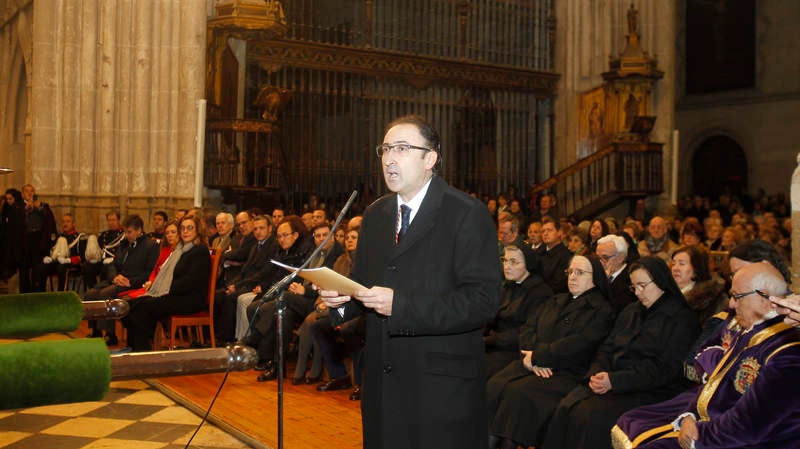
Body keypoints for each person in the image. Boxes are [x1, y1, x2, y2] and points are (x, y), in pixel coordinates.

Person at [319, 115, 500, 449]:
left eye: (402, 148)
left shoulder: (466, 213)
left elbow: (483, 301)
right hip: (383, 381)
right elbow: (362, 288)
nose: (389, 158)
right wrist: (341, 303)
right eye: (385, 149)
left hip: (439, 385)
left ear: (430, 159)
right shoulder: (376, 215)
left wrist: (400, 307)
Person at [613, 262, 800, 449]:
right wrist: (689, 416)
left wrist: (699, 436)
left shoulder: (787, 351)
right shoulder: (751, 331)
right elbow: (714, 385)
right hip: (714, 425)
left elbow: (750, 425)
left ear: (766, 298)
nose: (731, 304)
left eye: (737, 296)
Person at [542, 257, 699, 449]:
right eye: (634, 287)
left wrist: (615, 381)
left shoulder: (682, 319)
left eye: (642, 285)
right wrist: (597, 373)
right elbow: (607, 347)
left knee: (591, 416)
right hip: (613, 380)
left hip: (650, 390)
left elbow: (664, 369)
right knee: (568, 405)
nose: (639, 293)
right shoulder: (631, 311)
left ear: (660, 281)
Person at [487, 255, 615, 449]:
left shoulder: (602, 310)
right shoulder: (556, 299)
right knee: (495, 383)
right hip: (532, 364)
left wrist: (538, 355)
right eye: (570, 272)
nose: (572, 277)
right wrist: (528, 356)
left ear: (595, 277)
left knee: (519, 395)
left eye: (580, 273)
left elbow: (579, 344)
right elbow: (529, 328)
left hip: (565, 372)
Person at [121, 214, 212, 352]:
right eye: (183, 228)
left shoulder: (200, 250)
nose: (185, 231)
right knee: (130, 305)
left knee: (145, 306)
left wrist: (167, 289)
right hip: (174, 293)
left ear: (197, 231)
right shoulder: (180, 249)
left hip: (190, 299)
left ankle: (141, 349)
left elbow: (191, 281)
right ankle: (134, 346)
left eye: (190, 228)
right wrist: (163, 289)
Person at [83, 214, 160, 345]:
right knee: (91, 294)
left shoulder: (150, 246)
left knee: (105, 294)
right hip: (119, 280)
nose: (127, 235)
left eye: (129, 232)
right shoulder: (124, 244)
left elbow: (151, 272)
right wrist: (114, 277)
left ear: (139, 230)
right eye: (125, 232)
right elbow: (113, 264)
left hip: (136, 283)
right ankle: (96, 331)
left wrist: (131, 282)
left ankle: (110, 334)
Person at [484, 244, 553, 378]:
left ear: (528, 264)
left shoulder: (540, 293)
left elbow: (525, 332)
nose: (507, 266)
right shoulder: (510, 286)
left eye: (514, 262)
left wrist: (488, 340)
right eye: (505, 260)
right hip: (495, 343)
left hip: (514, 350)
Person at [595, 234, 637, 312]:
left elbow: (613, 310)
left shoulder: (631, 280)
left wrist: (604, 283)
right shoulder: (595, 274)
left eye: (605, 258)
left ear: (620, 258)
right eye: (597, 258)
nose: (599, 262)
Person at [536, 217, 572, 294]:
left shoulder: (566, 255)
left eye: (549, 230)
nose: (545, 234)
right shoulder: (539, 251)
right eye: (543, 231)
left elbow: (558, 285)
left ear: (559, 232)